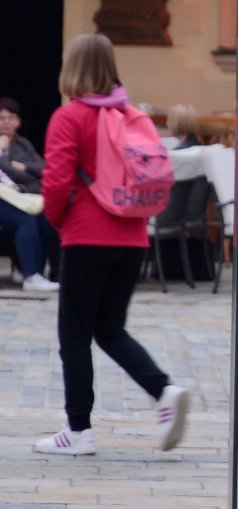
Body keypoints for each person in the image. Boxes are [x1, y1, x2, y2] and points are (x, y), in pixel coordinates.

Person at [37, 33, 190, 455]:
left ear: (72, 68)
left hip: (87, 237)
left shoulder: (70, 117)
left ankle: (79, 431)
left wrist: (56, 222)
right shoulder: (134, 117)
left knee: (75, 333)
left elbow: (55, 183)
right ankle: (164, 391)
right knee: (108, 328)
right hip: (134, 236)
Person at [0, 97, 62, 286]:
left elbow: (44, 169)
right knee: (26, 220)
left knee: (48, 219)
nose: (6, 122)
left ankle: (54, 274)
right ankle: (31, 275)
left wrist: (25, 168)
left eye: (10, 117)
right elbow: (6, 169)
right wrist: (5, 158)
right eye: (1, 118)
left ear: (18, 121)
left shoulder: (23, 144)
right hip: (3, 200)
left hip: (23, 197)